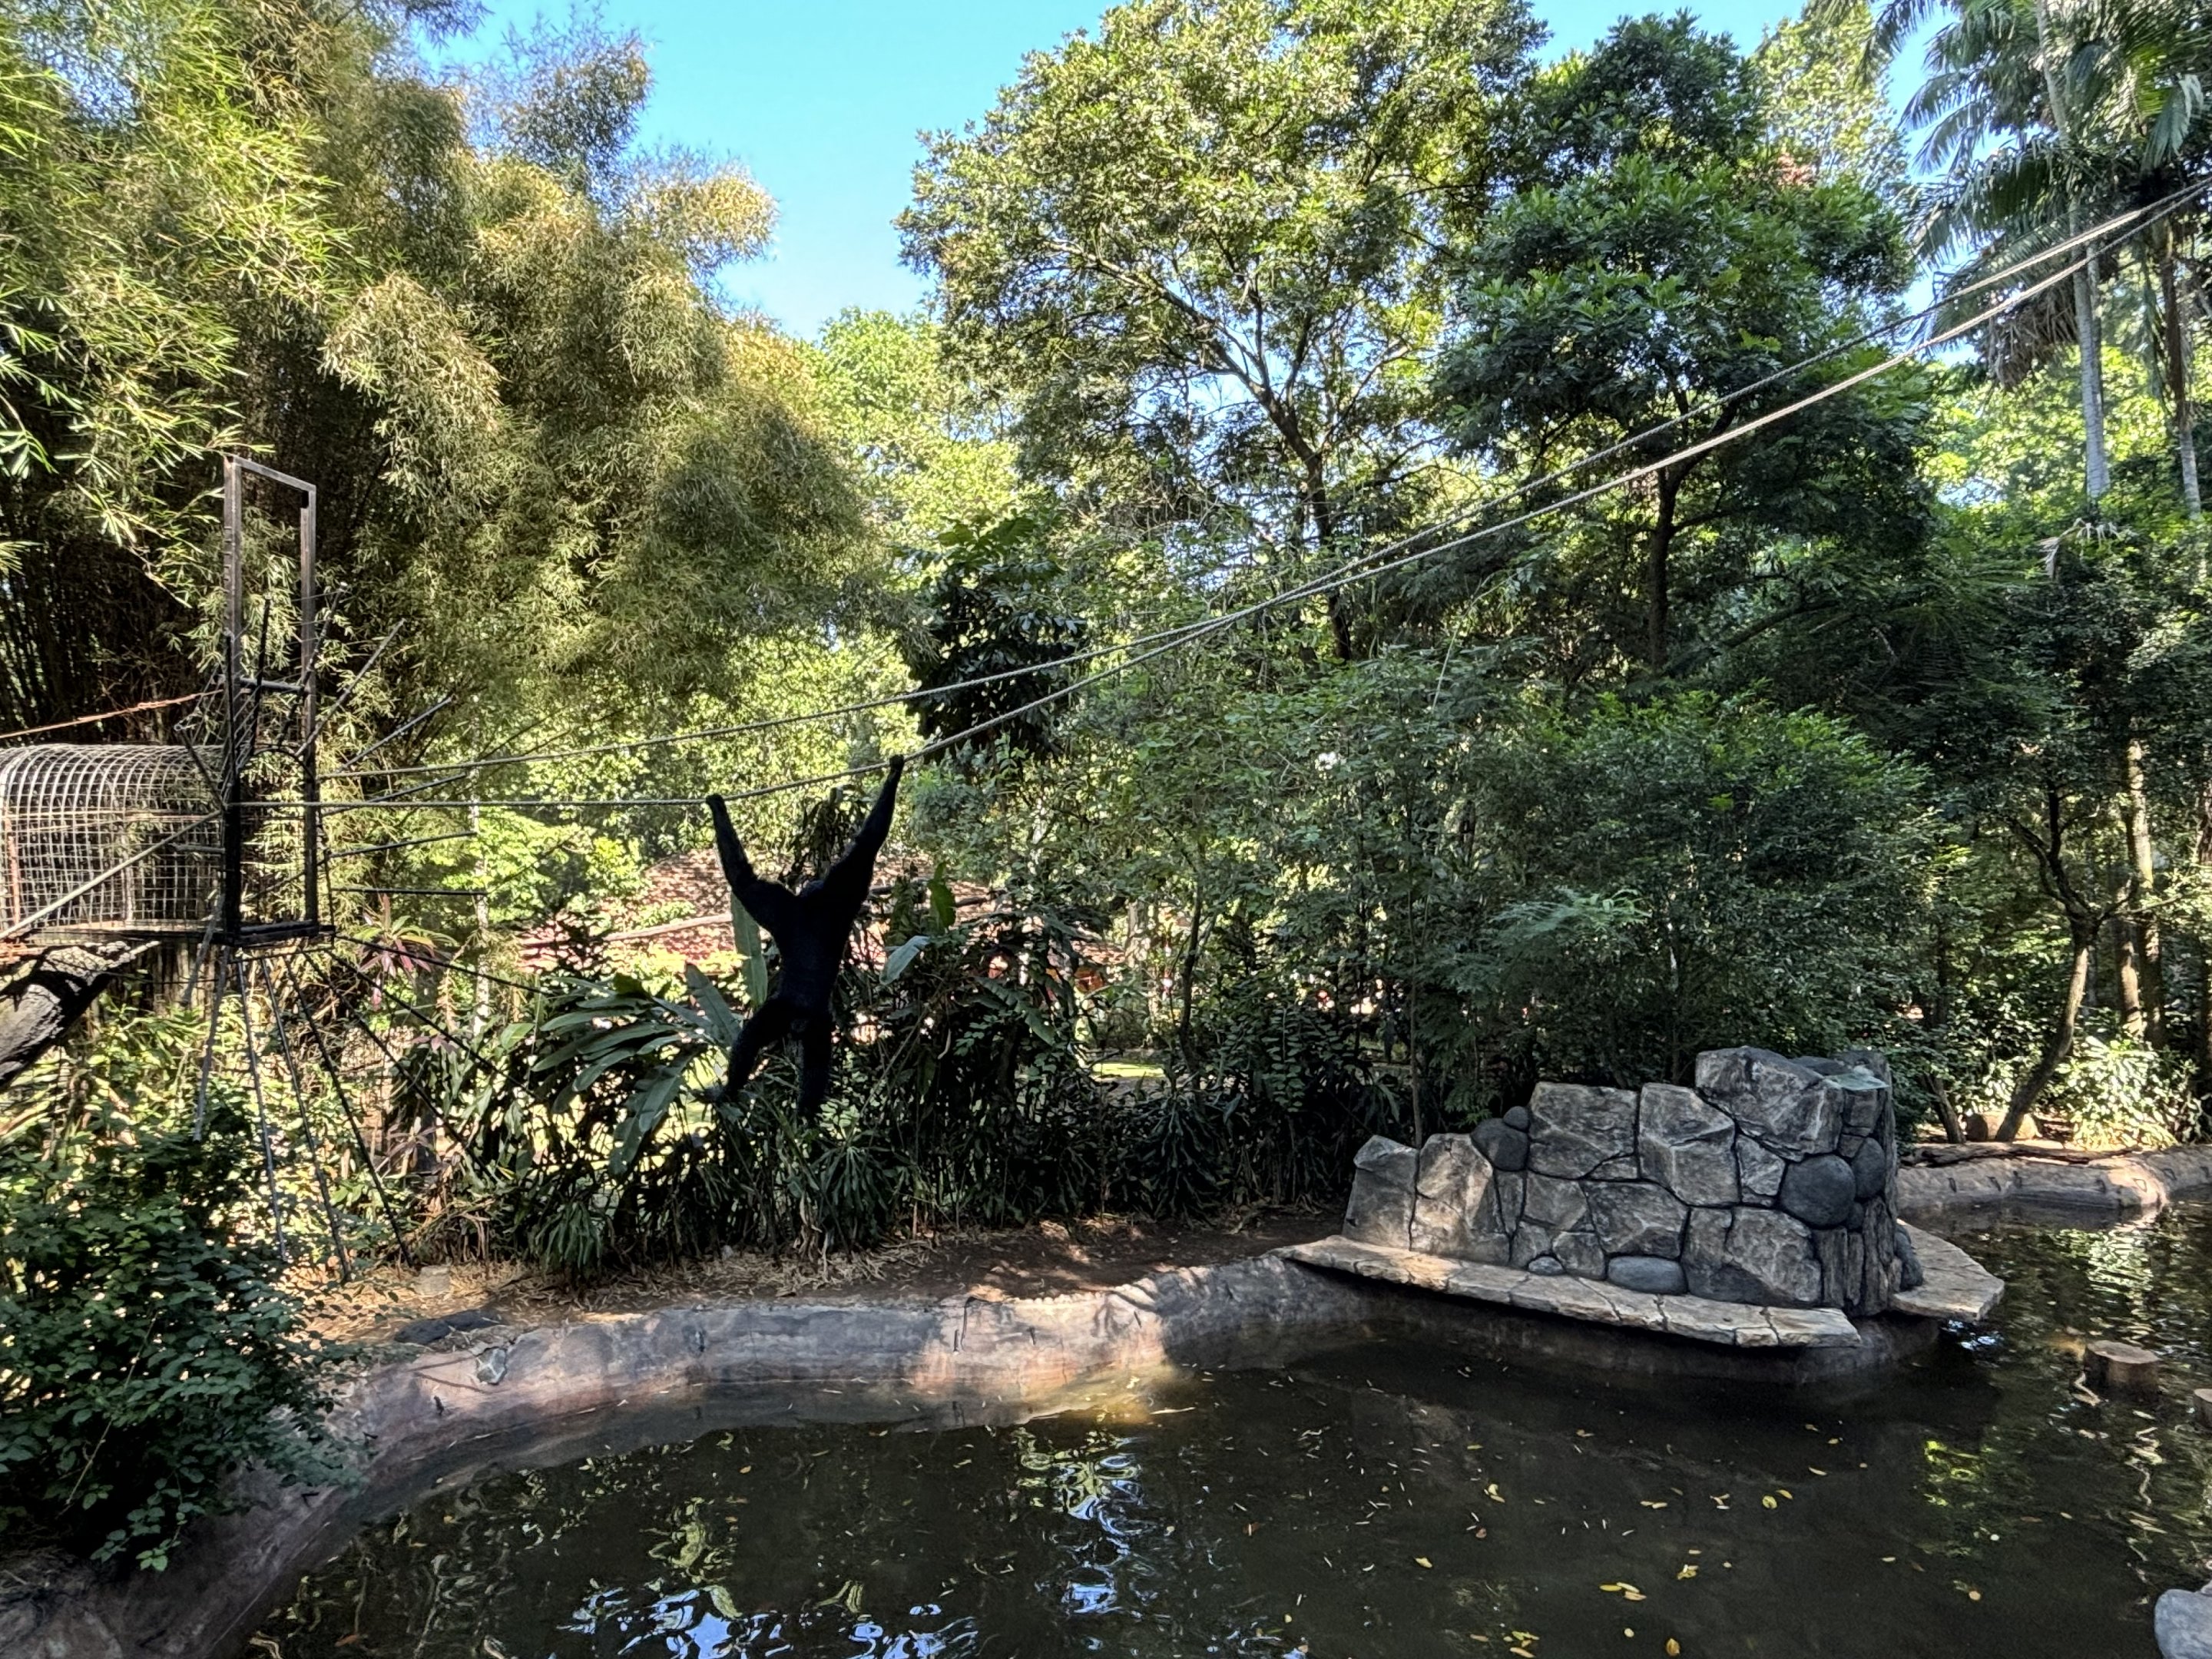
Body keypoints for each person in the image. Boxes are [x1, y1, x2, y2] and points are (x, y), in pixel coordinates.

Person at [706, 756, 903, 1114]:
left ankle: (734, 1089)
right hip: (814, 1009)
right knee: (813, 1066)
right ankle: (804, 1116)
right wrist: (893, 778)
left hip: (787, 1005)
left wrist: (718, 813)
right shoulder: (833, 911)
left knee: (750, 1041)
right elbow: (869, 842)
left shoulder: (791, 915)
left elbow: (740, 876)